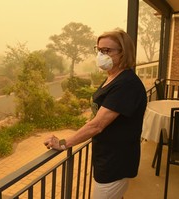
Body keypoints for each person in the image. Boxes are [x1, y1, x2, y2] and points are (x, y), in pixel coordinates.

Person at [44, 28, 147, 199]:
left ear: (123, 53)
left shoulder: (126, 84)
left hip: (116, 161)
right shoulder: (113, 77)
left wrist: (63, 143)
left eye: (107, 50)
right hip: (107, 156)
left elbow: (97, 125)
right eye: (99, 49)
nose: (101, 54)